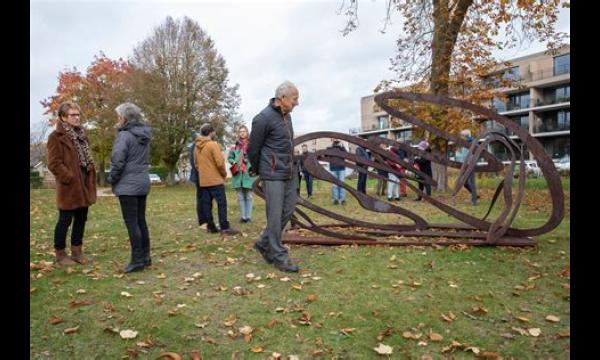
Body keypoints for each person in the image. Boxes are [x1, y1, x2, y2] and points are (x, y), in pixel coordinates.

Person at [248, 80, 300, 273]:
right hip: (272, 173)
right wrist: (260, 170)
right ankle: (279, 256)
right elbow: (253, 148)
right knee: (275, 216)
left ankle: (263, 242)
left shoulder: (288, 117)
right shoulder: (263, 118)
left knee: (289, 209)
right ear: (282, 98)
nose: (297, 103)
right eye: (295, 99)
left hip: (289, 171)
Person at [47, 101, 97, 265]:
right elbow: (54, 163)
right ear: (63, 117)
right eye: (73, 115)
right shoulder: (56, 137)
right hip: (69, 186)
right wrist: (69, 177)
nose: (77, 118)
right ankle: (60, 254)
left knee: (81, 219)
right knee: (65, 220)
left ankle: (77, 252)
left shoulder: (82, 135)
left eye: (78, 114)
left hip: (84, 184)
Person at [107, 102, 153, 273]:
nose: (117, 120)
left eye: (119, 116)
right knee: (141, 220)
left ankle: (137, 260)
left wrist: (112, 179)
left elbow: (118, 160)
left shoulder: (124, 136)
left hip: (128, 186)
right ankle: (146, 257)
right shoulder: (144, 136)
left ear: (124, 118)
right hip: (142, 182)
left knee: (132, 223)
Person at [195, 123, 241, 235]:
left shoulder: (197, 147)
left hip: (203, 180)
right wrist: (223, 174)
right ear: (211, 132)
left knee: (206, 204)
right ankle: (224, 227)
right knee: (221, 203)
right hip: (215, 180)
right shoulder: (213, 145)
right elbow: (220, 163)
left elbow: (196, 164)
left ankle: (211, 227)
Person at [227, 125, 256, 223]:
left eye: (244, 131)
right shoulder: (235, 146)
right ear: (238, 133)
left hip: (248, 173)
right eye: (240, 131)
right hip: (238, 173)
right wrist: (233, 162)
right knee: (240, 196)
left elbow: (256, 156)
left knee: (248, 195)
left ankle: (249, 217)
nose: (242, 133)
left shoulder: (252, 145)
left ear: (247, 133)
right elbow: (230, 157)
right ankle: (243, 217)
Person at [455, 129, 479, 205]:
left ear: (466, 136)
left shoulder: (473, 142)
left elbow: (477, 152)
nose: (461, 137)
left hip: (471, 164)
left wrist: (472, 161)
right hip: (464, 165)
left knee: (472, 182)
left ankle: (474, 200)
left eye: (462, 136)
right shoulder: (463, 143)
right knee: (465, 182)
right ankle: (475, 196)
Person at [188, 131, 204, 226]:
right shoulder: (196, 147)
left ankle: (203, 220)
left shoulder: (194, 146)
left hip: (199, 175)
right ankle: (203, 220)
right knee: (202, 198)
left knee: (201, 198)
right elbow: (194, 162)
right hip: (200, 175)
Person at [327, 139, 347, 205]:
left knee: (341, 185)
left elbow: (346, 155)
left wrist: (342, 145)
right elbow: (326, 155)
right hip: (334, 168)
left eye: (337, 141)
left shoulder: (341, 149)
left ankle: (342, 199)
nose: (336, 142)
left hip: (341, 168)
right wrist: (331, 145)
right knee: (335, 185)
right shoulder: (330, 148)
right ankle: (336, 199)